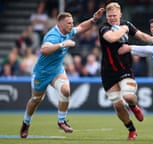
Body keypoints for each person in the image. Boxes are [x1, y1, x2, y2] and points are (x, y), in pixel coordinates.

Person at [20, 8, 104, 138]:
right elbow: (44, 50)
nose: (72, 25)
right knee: (36, 100)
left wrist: (94, 19)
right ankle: (26, 123)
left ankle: (61, 121)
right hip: (42, 73)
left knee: (65, 90)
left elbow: (81, 27)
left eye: (71, 22)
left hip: (57, 70)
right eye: (69, 23)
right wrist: (62, 44)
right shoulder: (52, 35)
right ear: (60, 24)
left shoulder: (68, 31)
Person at [98, 2, 153, 140]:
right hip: (108, 72)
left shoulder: (127, 24)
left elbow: (141, 35)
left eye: (114, 15)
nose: (112, 18)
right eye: (109, 15)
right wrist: (124, 29)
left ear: (120, 14)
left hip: (124, 69)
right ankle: (131, 129)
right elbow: (112, 38)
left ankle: (134, 106)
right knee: (118, 105)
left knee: (129, 97)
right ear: (106, 16)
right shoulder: (104, 28)